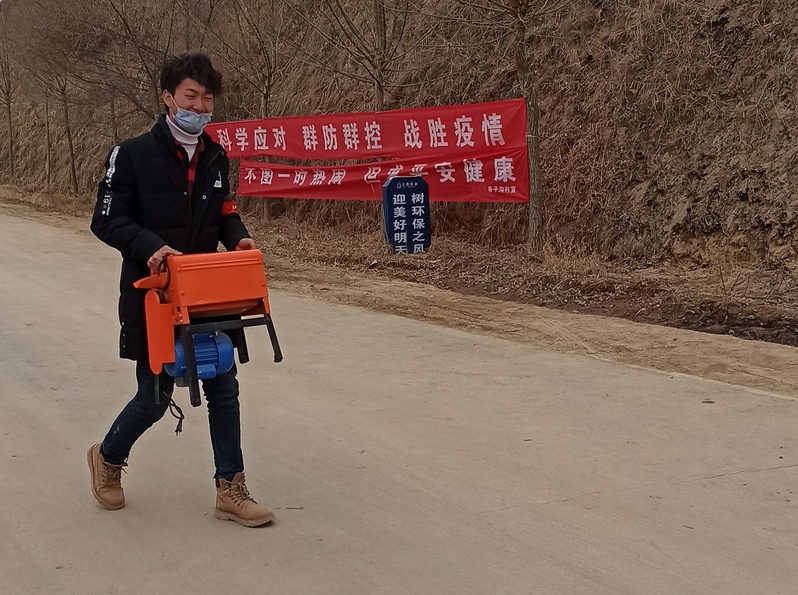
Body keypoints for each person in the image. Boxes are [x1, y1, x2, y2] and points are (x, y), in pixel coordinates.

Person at [88, 53, 273, 527]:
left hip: (208, 292)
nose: (200, 107)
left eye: (207, 99)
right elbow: (106, 220)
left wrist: (238, 238)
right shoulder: (131, 155)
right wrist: (150, 246)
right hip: (153, 295)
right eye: (191, 96)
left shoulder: (215, 155)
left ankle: (230, 487)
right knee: (154, 397)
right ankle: (107, 457)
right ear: (167, 97)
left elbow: (225, 211)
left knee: (223, 386)